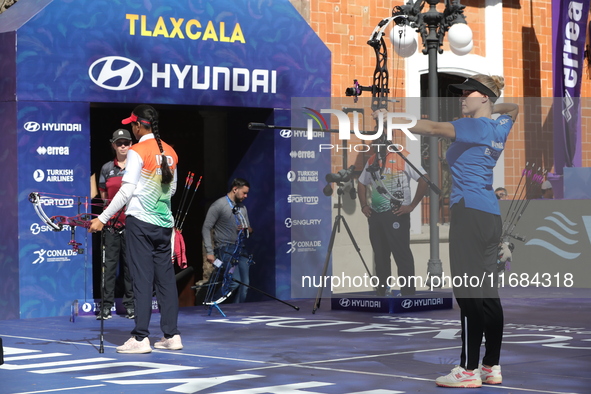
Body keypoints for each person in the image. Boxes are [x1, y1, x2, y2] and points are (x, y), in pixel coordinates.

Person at [395, 75, 519, 388]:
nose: (462, 97)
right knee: (488, 294)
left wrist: (393, 120)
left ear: (484, 98)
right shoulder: (498, 125)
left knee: (468, 294)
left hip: (469, 214)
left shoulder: (473, 125)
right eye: (461, 93)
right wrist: (490, 106)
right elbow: (513, 108)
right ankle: (490, 366)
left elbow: (434, 129)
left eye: (468, 93)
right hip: (490, 215)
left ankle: (467, 370)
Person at [88, 104, 181, 354]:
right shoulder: (170, 152)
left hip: (140, 223)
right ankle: (171, 335)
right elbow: (171, 191)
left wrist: (103, 218)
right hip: (164, 225)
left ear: (140, 125)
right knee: (165, 281)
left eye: (133, 124)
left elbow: (127, 191)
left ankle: (140, 338)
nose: (132, 127)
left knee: (141, 279)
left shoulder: (137, 151)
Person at [357, 149, 429, 296]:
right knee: (380, 255)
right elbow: (361, 182)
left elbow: (424, 179)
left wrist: (411, 206)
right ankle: (382, 291)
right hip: (376, 215)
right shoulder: (372, 159)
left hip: (397, 214)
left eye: (384, 128)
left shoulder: (404, 156)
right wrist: (364, 205)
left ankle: (408, 293)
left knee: (401, 254)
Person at [96, 129, 135, 320]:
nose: (122, 146)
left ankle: (130, 305)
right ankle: (106, 306)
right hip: (111, 224)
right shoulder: (106, 168)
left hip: (132, 224)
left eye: (126, 143)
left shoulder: (137, 168)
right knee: (109, 266)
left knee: (130, 267)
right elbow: (104, 199)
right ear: (113, 145)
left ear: (131, 145)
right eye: (119, 143)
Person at [202, 178, 253, 304]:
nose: (246, 196)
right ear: (235, 189)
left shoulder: (242, 208)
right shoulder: (219, 205)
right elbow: (206, 227)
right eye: (244, 193)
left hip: (240, 248)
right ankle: (210, 303)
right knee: (234, 281)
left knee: (245, 284)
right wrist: (209, 251)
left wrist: (247, 229)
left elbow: (250, 229)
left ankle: (238, 311)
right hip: (225, 248)